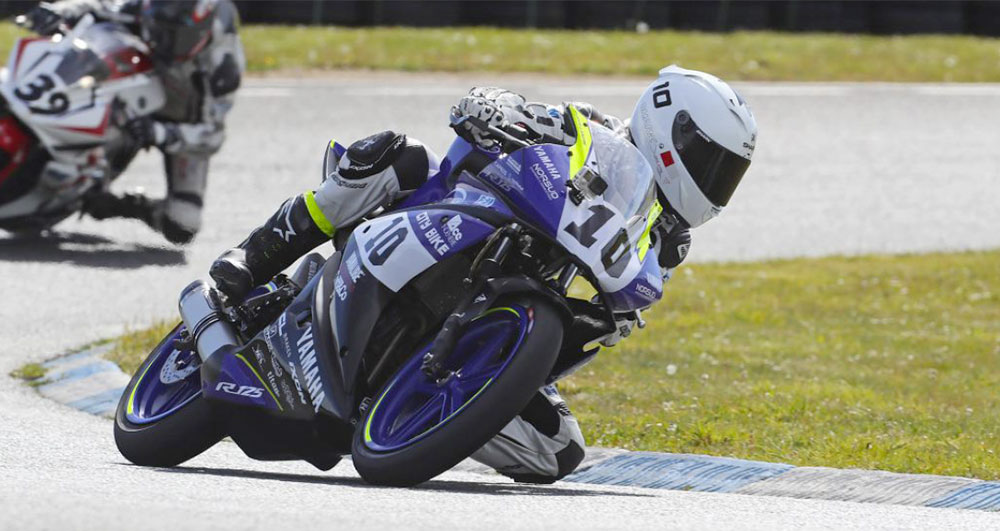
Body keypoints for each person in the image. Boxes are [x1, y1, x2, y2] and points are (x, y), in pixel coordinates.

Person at [209, 65, 758, 483]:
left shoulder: (667, 239)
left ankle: (427, 412)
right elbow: (490, 105)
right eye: (712, 164)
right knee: (398, 155)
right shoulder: (586, 127)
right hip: (448, 216)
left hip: (515, 300)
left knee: (558, 451)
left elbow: (625, 304)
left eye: (727, 175)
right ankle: (255, 256)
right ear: (673, 133)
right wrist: (497, 112)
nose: (716, 185)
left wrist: (609, 321)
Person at [20, 0, 245, 244]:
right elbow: (99, 7)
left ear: (203, 31)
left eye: (177, 35)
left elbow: (211, 135)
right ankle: (69, 163)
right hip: (136, 90)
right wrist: (60, 13)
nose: (165, 42)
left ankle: (127, 206)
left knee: (182, 223)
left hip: (182, 123)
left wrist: (158, 133)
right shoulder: (149, 7)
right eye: (159, 29)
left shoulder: (224, 67)